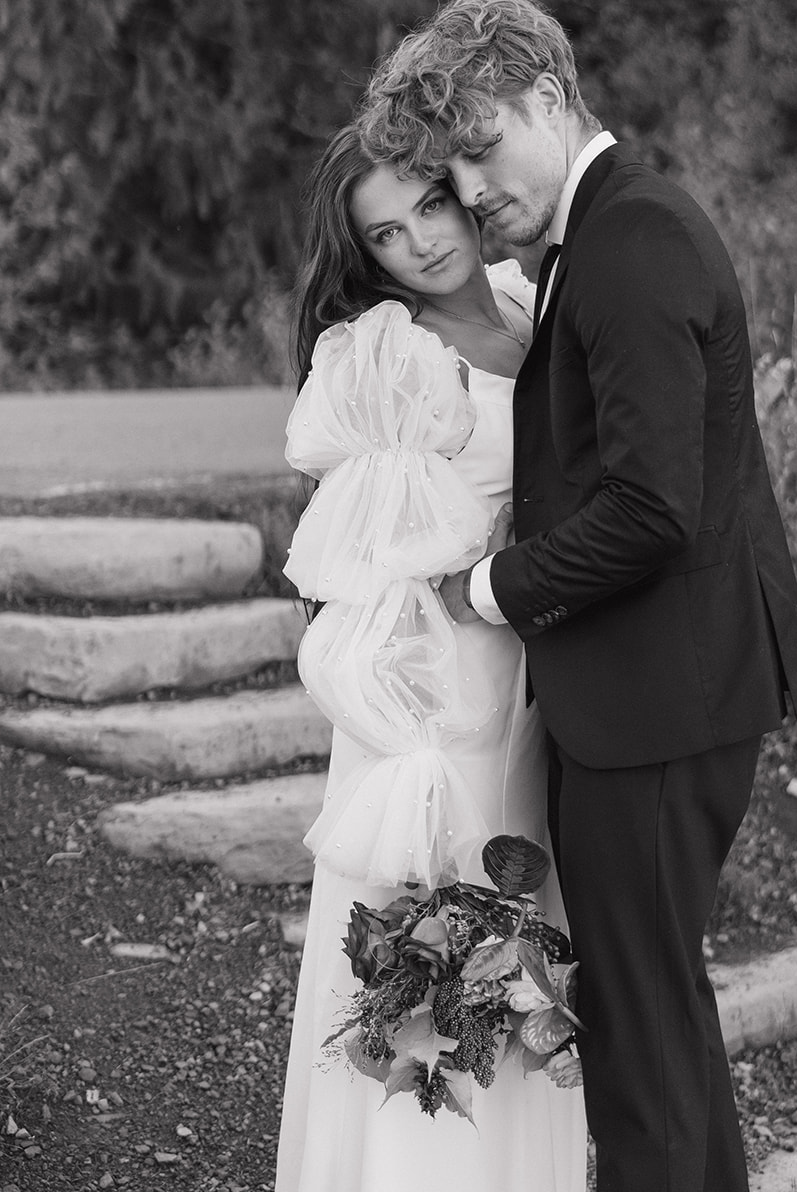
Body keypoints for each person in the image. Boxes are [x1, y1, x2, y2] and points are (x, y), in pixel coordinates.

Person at [362, 0, 797, 1192]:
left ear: (552, 99)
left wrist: (490, 585)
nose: (469, 190)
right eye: (449, 170)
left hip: (660, 704)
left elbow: (652, 509)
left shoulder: (633, 238)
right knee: (652, 1027)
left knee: (637, 1047)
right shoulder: (593, 238)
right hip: (647, 699)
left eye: (480, 146)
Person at [274, 124, 587, 1192]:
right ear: (366, 254)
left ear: (462, 192)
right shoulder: (392, 352)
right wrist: (409, 737)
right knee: (425, 984)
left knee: (516, 975)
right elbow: (363, 575)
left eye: (431, 206)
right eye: (387, 232)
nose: (421, 241)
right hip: (432, 708)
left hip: (522, 698)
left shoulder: (518, 298)